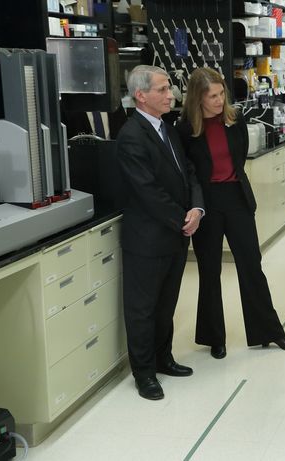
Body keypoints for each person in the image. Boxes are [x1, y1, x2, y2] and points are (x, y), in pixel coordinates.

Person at [176, 67, 285, 359]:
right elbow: (189, 172)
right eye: (212, 96)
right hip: (207, 204)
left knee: (251, 266)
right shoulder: (185, 130)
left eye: (222, 94)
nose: (219, 101)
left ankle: (269, 332)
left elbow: (240, 157)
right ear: (198, 98)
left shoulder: (235, 120)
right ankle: (213, 338)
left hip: (237, 198)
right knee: (209, 270)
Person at [115, 65, 205, 401]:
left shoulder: (167, 129)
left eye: (170, 89)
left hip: (176, 234)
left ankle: (163, 357)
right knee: (143, 308)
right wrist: (181, 218)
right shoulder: (131, 136)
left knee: (167, 303)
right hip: (148, 238)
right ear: (141, 95)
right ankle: (144, 373)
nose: (172, 95)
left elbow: (189, 172)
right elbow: (147, 190)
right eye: (163, 89)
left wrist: (197, 209)